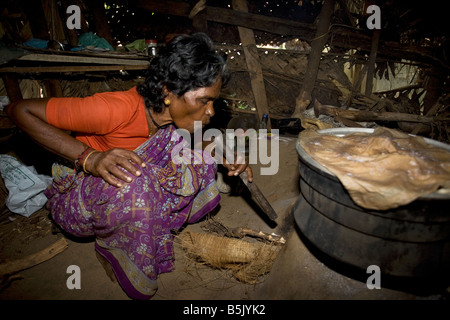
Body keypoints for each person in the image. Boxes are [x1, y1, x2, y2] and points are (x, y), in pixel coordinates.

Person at [5, 33, 252, 300]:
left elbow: (196, 143)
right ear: (168, 91)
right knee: (138, 180)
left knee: (199, 157)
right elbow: (19, 111)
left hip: (129, 187)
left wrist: (224, 153)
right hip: (81, 204)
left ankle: (153, 224)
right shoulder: (114, 109)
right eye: (205, 101)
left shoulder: (169, 117)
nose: (211, 111)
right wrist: (90, 158)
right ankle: (110, 248)